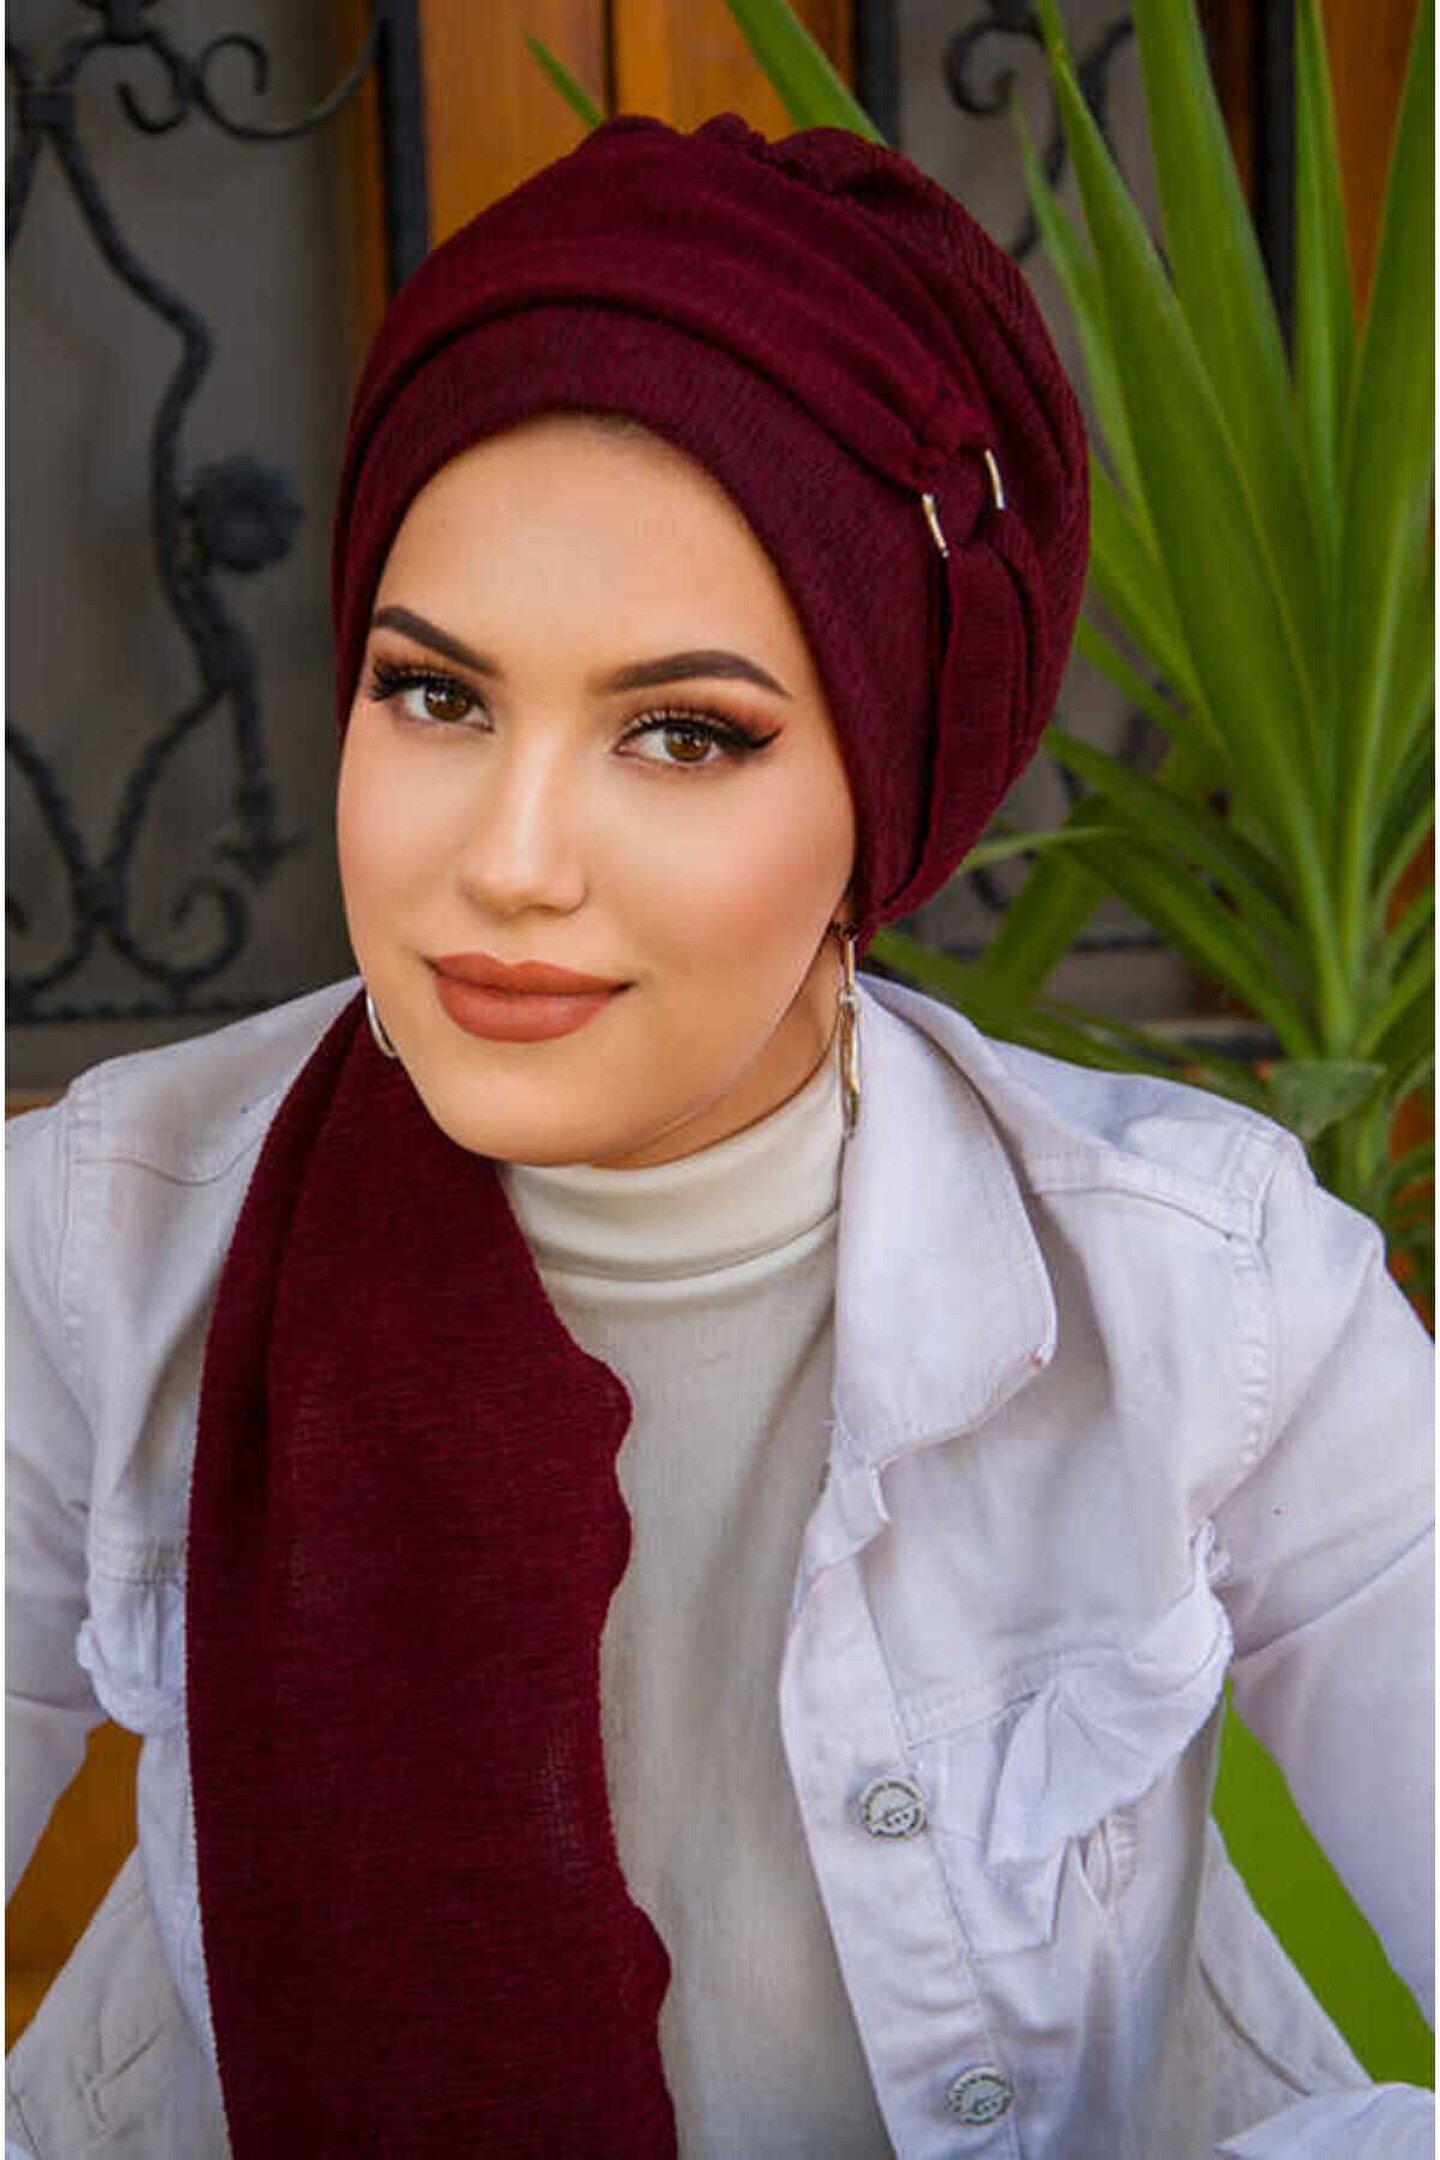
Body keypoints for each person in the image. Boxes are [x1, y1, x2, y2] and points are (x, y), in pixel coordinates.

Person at [5, 112, 1431, 2160]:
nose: (508, 860)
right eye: (434, 696)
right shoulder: (93, 1241)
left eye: (684, 734)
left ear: (885, 800)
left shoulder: (1202, 1291)